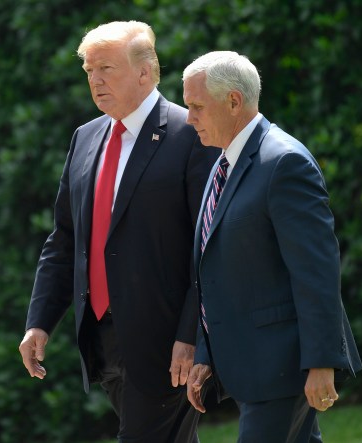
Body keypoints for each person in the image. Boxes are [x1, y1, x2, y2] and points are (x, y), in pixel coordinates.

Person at [18, 21, 219, 442]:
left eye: (106, 68)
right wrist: (40, 321)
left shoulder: (190, 134)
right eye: (89, 70)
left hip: (165, 343)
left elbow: (210, 249)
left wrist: (192, 335)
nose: (95, 80)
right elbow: (65, 239)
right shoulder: (85, 137)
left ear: (145, 72)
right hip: (103, 338)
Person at [182, 51, 362, 442]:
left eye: (196, 106)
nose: (189, 117)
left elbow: (316, 271)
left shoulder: (284, 163)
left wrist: (321, 362)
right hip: (250, 365)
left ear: (233, 101)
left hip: (283, 365)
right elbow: (217, 270)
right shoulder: (222, 163)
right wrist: (205, 352)